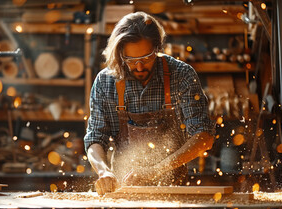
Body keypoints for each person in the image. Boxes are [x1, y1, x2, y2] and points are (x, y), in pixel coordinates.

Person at [84, 11, 215, 195]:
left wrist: (155, 171)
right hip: (122, 189)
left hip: (174, 190)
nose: (139, 67)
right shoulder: (106, 82)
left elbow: (204, 138)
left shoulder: (181, 75)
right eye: (131, 60)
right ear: (120, 54)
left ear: (158, 48)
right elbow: (95, 138)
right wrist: (103, 171)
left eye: (146, 58)